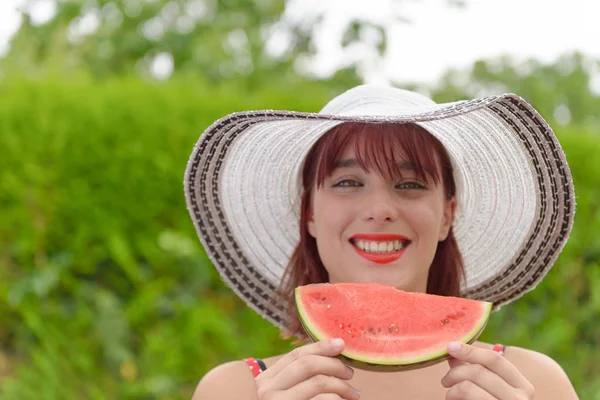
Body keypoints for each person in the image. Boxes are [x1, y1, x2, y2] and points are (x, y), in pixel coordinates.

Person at [184, 84, 579, 399]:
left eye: (409, 184)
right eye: (348, 183)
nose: (379, 209)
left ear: (446, 215)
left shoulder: (534, 385)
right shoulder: (235, 390)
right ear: (309, 215)